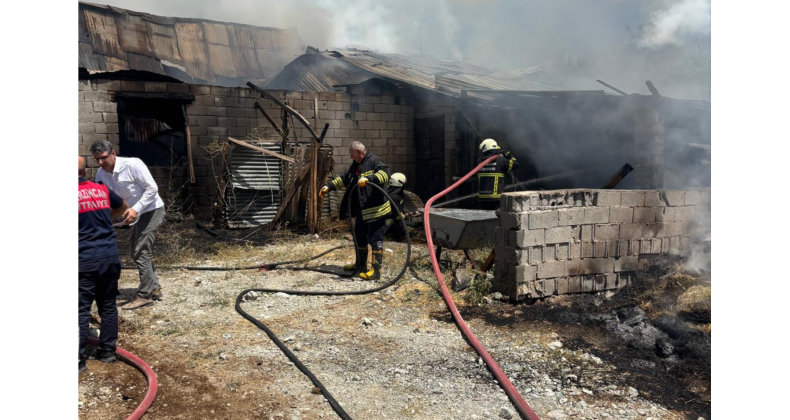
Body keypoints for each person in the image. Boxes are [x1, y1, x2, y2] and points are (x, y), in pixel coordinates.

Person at [90, 140, 166, 310]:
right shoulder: (101, 175)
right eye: (97, 159)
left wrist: (136, 209)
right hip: (134, 213)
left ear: (113, 154)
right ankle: (154, 287)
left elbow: (152, 188)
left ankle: (145, 295)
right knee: (135, 250)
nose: (101, 163)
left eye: (103, 158)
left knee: (141, 251)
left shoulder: (133, 164)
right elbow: (106, 198)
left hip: (151, 209)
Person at [79, 156, 129, 372]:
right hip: (109, 257)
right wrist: (101, 217)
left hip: (83, 260)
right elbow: (122, 207)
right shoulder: (100, 189)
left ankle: (78, 360)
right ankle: (107, 351)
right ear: (85, 171)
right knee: (108, 305)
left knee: (79, 310)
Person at [319, 141, 391, 280]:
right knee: (359, 237)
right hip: (362, 212)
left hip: (376, 211)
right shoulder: (355, 166)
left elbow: (386, 173)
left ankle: (375, 272)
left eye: (352, 154)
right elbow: (344, 178)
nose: (350, 156)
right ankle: (360, 265)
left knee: (375, 240)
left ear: (360, 153)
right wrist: (329, 187)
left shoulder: (374, 161)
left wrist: (370, 178)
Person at [476, 138, 519, 210]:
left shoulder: (479, 162)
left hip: (482, 197)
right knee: (496, 218)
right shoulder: (501, 161)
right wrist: (509, 155)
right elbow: (516, 164)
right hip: (496, 198)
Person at [384, 173, 408, 241]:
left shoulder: (399, 195)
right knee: (402, 224)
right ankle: (393, 238)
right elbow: (398, 215)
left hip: (393, 219)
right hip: (388, 222)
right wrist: (406, 216)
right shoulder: (393, 197)